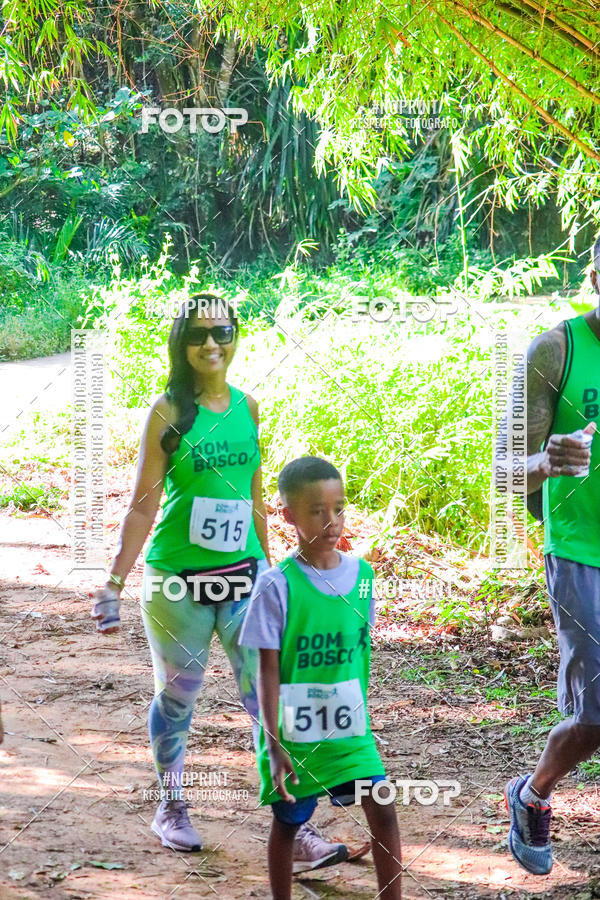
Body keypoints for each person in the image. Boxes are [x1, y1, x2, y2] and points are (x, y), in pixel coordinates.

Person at [90, 294, 344, 869]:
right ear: (182, 343)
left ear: (235, 337)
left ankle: (295, 824)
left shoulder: (249, 407)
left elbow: (254, 499)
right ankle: (172, 806)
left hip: (244, 575)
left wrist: (282, 570)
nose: (212, 344)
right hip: (177, 579)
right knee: (178, 696)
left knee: (267, 698)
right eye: (199, 335)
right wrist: (114, 582)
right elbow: (141, 507)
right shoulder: (168, 412)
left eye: (222, 332)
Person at [239, 456, 402, 899]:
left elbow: (359, 653)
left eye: (339, 507)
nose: (332, 521)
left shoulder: (363, 577)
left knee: (383, 807)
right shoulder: (277, 585)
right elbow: (267, 671)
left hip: (349, 730)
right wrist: (273, 746)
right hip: (293, 736)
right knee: (289, 822)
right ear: (289, 516)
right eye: (317, 511)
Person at [499, 237, 600, 876]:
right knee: (596, 713)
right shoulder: (553, 351)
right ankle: (532, 793)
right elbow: (504, 474)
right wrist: (547, 458)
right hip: (582, 553)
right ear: (594, 274)